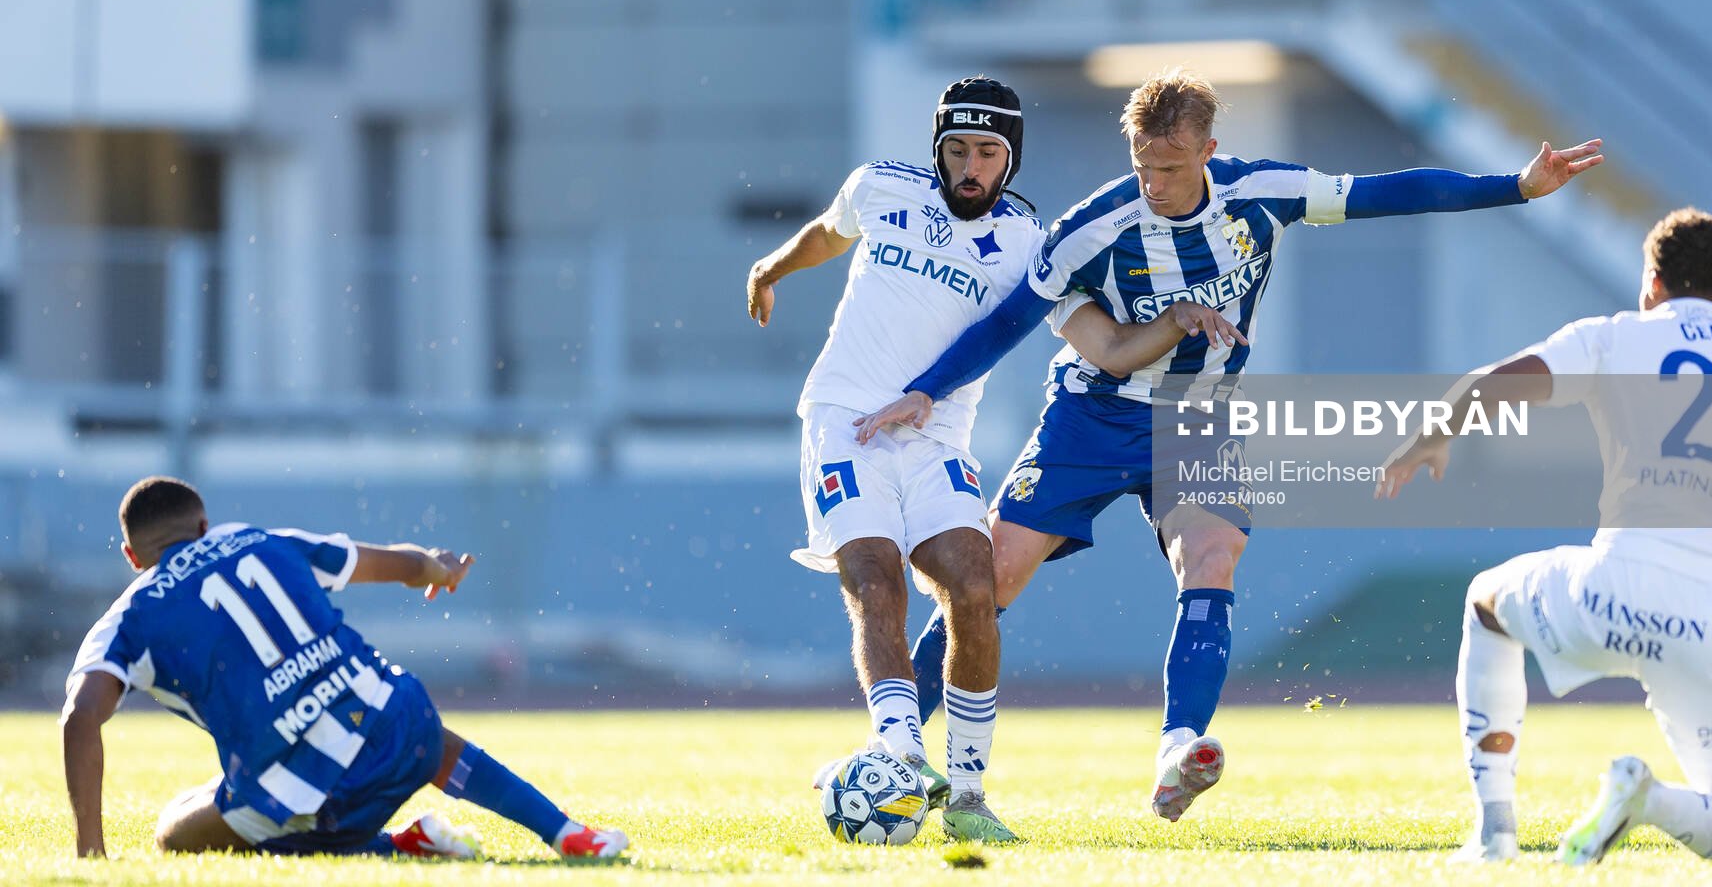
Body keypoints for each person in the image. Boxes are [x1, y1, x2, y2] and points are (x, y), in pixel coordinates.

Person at [856, 69, 1604, 820]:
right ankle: (895, 751)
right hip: (1091, 415)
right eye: (1142, 165)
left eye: (1171, 168)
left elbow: (1385, 193)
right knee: (989, 581)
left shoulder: (1264, 194)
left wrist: (1517, 185)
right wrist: (928, 387)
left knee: (1213, 557)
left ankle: (1180, 748)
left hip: (1197, 418)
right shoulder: (1093, 227)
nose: (1153, 182)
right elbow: (1009, 320)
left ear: (1210, 151)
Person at [747, 76, 1241, 842]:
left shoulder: (1032, 248)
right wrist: (772, 268)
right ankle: (900, 754)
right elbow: (827, 231)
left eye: (987, 152)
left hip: (940, 440)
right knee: (876, 577)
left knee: (975, 586)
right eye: (956, 150)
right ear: (937, 151)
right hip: (846, 424)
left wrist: (1175, 325)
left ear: (1010, 161)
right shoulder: (879, 186)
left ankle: (969, 799)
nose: (969, 167)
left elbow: (1105, 346)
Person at [1377, 207, 1712, 865]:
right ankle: (1649, 800)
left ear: (1652, 282)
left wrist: (1431, 438)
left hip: (1617, 595)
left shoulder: (1615, 338)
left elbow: (1493, 383)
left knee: (1486, 603)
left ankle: (1494, 830)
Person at [60, 475, 628, 861]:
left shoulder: (128, 615)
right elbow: (396, 563)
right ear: (205, 524)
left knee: (175, 828)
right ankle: (565, 831)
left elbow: (78, 719)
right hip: (403, 734)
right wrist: (440, 569)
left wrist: (91, 853)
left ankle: (393, 848)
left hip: (309, 794)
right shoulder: (260, 539)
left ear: (132, 558)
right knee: (387, 701)